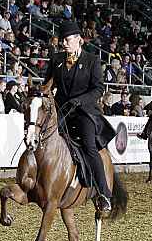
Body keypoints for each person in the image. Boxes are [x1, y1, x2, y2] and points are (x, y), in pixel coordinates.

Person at [43, 20, 115, 212]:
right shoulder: (56, 59)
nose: (63, 43)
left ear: (78, 39)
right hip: (61, 111)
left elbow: (98, 88)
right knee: (42, 136)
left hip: (84, 112)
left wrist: (80, 100)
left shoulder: (92, 60)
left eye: (67, 40)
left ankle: (104, 194)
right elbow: (47, 84)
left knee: (89, 147)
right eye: (62, 40)